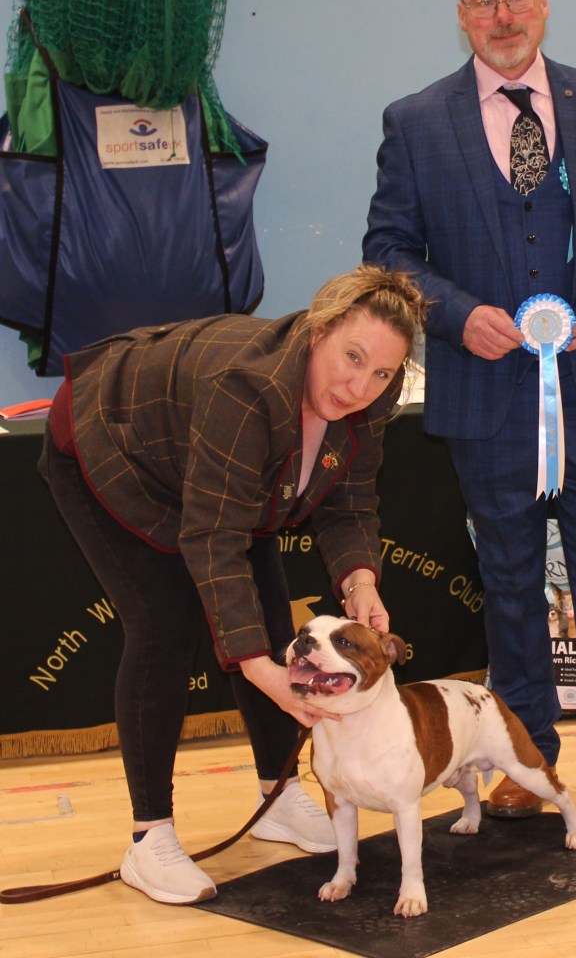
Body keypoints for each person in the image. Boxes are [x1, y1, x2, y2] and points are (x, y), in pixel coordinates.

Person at [363, 0, 576, 834]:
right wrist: (457, 315)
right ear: (461, 16)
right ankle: (525, 757)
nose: (501, 16)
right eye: (483, 3)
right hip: (483, 398)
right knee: (506, 584)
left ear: (542, 4)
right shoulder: (414, 121)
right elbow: (388, 249)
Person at [39, 264, 426, 904]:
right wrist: (254, 666)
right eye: (352, 357)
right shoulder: (245, 388)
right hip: (117, 449)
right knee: (164, 626)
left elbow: (350, 502)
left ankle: (277, 796)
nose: (361, 386)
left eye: (383, 372)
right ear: (318, 331)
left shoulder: (372, 398)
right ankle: (149, 838)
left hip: (222, 476)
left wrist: (360, 580)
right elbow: (214, 537)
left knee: (276, 624)